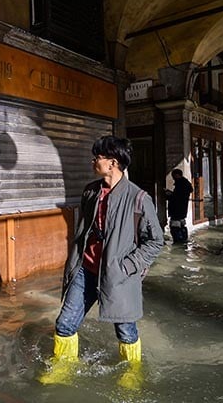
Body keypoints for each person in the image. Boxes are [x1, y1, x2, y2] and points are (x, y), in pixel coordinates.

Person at [39, 135, 164, 389]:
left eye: (97, 157)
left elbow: (155, 241)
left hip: (118, 276)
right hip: (86, 270)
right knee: (65, 324)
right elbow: (83, 231)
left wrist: (127, 267)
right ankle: (63, 368)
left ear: (112, 163)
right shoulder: (90, 191)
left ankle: (132, 372)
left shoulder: (139, 198)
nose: (93, 161)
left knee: (126, 331)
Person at [165, 168, 193, 243]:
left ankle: (179, 241)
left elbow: (177, 197)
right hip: (182, 210)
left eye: (173, 176)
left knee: (175, 227)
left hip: (177, 209)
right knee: (181, 225)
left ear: (177, 175)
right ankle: (183, 239)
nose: (173, 178)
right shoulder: (185, 183)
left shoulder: (181, 184)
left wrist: (169, 195)